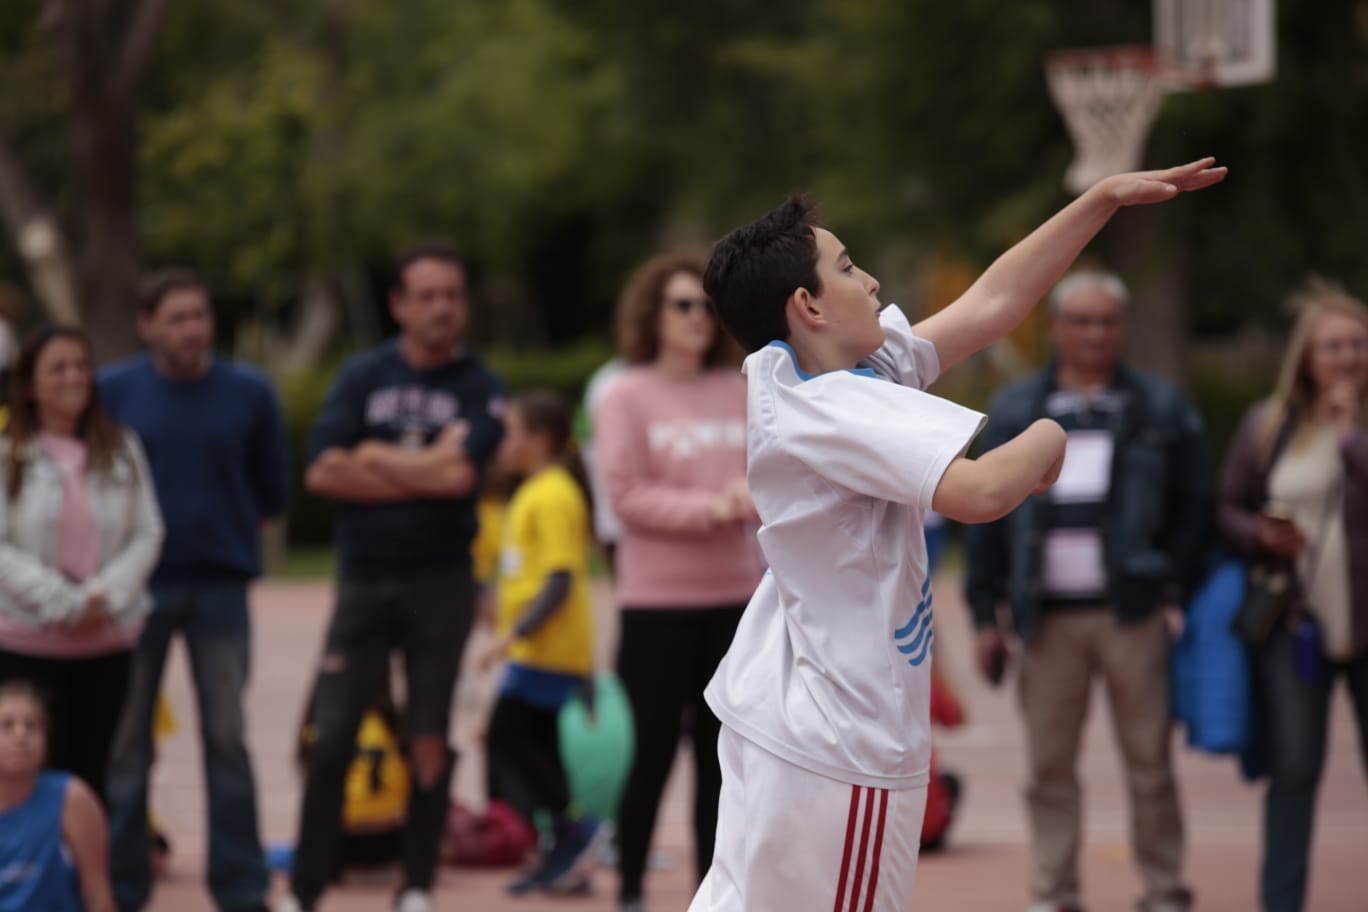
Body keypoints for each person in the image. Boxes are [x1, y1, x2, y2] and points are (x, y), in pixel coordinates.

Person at [691, 158, 1226, 912]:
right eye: (849, 267)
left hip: (794, 720)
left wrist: (1099, 200)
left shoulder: (821, 373)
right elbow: (980, 491)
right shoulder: (831, 404)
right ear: (808, 305)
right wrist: (1048, 435)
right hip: (844, 740)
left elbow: (994, 301)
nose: (873, 281)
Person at [965, 270, 1210, 912]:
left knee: (1150, 764)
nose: (1096, 333)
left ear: (1121, 329)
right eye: (1082, 321)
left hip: (1133, 614)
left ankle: (1163, 889)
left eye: (1107, 321)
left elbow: (1196, 506)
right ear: (1057, 329)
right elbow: (987, 514)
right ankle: (1053, 894)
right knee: (1048, 767)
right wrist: (984, 614)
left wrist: (1172, 587)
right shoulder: (1018, 408)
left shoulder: (1160, 406)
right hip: (1044, 617)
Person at [278, 242, 505, 912]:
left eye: (452, 295)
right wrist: (419, 469)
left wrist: (373, 457)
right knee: (333, 737)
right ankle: (306, 889)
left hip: (443, 584)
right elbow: (322, 472)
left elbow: (461, 474)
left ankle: (415, 884)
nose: (441, 308)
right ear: (399, 304)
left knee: (430, 734)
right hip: (364, 583)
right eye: (426, 295)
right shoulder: (361, 376)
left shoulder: (480, 385)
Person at [100, 269, 290, 912]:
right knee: (125, 746)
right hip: (134, 591)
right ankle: (121, 888)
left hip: (220, 586)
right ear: (147, 324)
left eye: (201, 315)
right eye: (177, 317)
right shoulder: (114, 391)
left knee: (227, 739)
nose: (193, 329)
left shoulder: (249, 393)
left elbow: (272, 492)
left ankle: (240, 888)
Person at [594, 250, 764, 912]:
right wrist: (712, 508)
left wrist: (748, 494)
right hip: (656, 604)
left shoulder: (742, 388)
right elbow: (627, 495)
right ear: (652, 315)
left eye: (706, 307)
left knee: (723, 764)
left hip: (735, 599)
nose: (698, 318)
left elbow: (772, 472)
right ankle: (632, 890)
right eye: (683, 306)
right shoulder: (625, 395)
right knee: (652, 754)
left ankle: (713, 894)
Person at [1216, 280, 1368, 912]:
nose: (1345, 356)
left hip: (1366, 627)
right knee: (1295, 770)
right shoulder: (1269, 423)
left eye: (1357, 344)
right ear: (1305, 356)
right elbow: (1226, 506)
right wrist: (1261, 534)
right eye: (1331, 345)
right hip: (1294, 625)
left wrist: (1350, 438)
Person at [0, 326, 164, 801]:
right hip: (26, 643)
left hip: (104, 643)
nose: (74, 377)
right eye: (58, 368)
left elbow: (147, 531)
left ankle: (88, 874)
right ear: (30, 384)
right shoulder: (9, 453)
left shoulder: (122, 448)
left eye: (81, 365)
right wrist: (63, 601)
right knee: (22, 776)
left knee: (94, 778)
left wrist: (104, 596)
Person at [476, 389, 603, 895]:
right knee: (538, 745)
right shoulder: (533, 491)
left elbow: (560, 580)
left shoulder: (552, 494)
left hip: (547, 649)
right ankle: (563, 848)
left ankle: (577, 831)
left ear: (540, 440)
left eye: (512, 433)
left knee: (508, 733)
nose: (504, 443)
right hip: (542, 649)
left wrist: (512, 635)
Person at [0, 678, 116, 912]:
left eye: (32, 726)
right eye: (7, 725)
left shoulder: (72, 799)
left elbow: (98, 893)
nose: (21, 736)